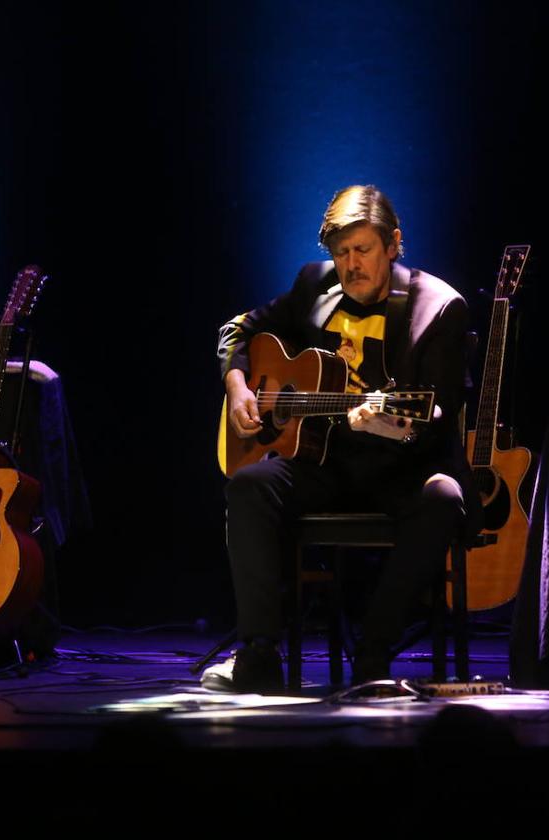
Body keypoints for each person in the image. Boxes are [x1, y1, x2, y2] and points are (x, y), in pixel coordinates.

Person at [215, 185, 478, 692]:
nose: (350, 265)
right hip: (325, 462)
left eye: (363, 251)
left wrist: (389, 424)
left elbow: (439, 413)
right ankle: (259, 654)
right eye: (341, 253)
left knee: (443, 497)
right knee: (248, 486)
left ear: (394, 243)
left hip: (402, 466)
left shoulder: (439, 308)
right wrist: (237, 385)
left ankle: (373, 655)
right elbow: (239, 330)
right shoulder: (314, 285)